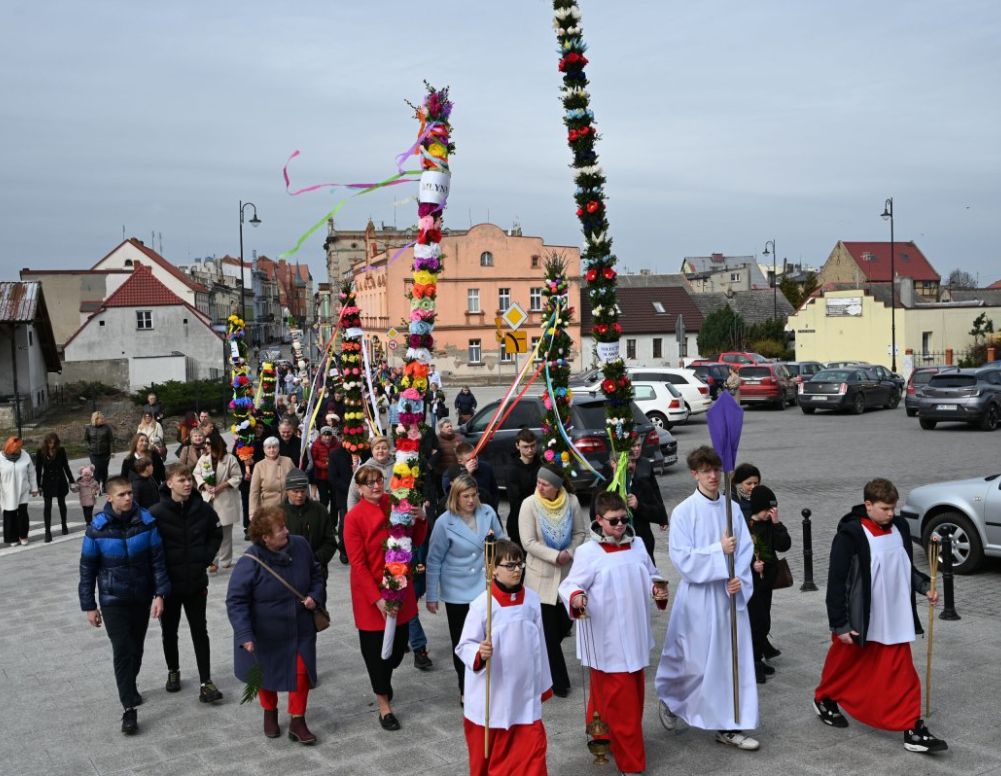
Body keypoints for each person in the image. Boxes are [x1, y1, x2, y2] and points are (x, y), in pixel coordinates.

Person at [812, 478, 947, 754]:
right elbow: (836, 582)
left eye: (893, 508)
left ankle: (912, 727)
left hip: (894, 616)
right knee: (844, 665)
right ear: (868, 505)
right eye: (885, 508)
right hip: (861, 617)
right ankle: (824, 698)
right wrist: (840, 624)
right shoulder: (850, 535)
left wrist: (924, 587)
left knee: (902, 673)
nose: (890, 514)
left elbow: (904, 566)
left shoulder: (900, 527)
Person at [653, 446, 759, 751]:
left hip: (728, 597)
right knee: (694, 661)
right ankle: (673, 699)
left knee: (730, 660)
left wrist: (738, 578)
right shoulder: (684, 512)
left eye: (716, 470)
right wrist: (718, 552)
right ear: (694, 474)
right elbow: (682, 558)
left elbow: (745, 550)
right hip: (699, 598)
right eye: (705, 471)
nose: (712, 476)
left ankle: (729, 725)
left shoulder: (732, 509)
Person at [560, 492, 669, 775]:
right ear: (598, 520)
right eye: (613, 521)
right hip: (605, 638)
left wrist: (657, 589)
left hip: (635, 634)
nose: (620, 525)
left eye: (623, 519)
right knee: (624, 706)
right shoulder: (588, 552)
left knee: (623, 694)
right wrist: (576, 596)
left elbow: (652, 574)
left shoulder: (638, 544)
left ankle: (602, 734)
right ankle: (631, 764)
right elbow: (570, 585)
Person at [78, 476, 170, 735]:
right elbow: (87, 570)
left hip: (141, 596)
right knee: (122, 649)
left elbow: (158, 561)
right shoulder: (97, 528)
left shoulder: (146, 522)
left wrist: (160, 594)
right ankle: (129, 708)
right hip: (113, 599)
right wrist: (89, 605)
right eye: (122, 494)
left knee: (136, 648)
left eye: (130, 493)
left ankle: (130, 684)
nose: (128, 497)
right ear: (109, 498)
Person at [227, 506, 326, 745]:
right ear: (266, 538)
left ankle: (298, 720)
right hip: (266, 632)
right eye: (280, 529)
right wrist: (244, 634)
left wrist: (315, 596)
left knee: (301, 674)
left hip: (300, 627)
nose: (287, 531)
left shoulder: (300, 545)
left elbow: (317, 573)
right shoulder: (250, 561)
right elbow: (236, 600)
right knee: (265, 674)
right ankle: (269, 711)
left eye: (285, 526)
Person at [343, 467, 428, 731]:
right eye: (368, 483)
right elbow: (358, 564)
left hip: (399, 586)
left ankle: (385, 678)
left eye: (379, 480)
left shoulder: (396, 503)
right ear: (359, 489)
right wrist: (377, 599)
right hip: (371, 596)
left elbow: (415, 538)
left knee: (397, 651)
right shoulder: (354, 517)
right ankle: (384, 705)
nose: (375, 486)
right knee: (375, 654)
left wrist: (421, 518)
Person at [456, 539, 551, 775]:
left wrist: (543, 684)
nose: (517, 570)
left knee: (531, 756)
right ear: (493, 569)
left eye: (519, 564)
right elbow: (464, 645)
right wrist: (479, 652)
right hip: (493, 695)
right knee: (486, 760)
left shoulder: (532, 600)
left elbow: (540, 645)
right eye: (510, 565)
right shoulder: (482, 605)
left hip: (524, 694)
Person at [425, 474, 506, 700]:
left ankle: (489, 683)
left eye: (474, 495)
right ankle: (465, 686)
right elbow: (434, 560)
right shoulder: (444, 522)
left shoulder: (488, 512)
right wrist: (432, 595)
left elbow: (502, 542)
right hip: (457, 590)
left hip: (485, 585)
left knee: (488, 638)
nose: (471, 500)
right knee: (463, 641)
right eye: (465, 496)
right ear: (456, 497)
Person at [150, 462, 224, 703]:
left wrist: (205, 557)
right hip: (169, 586)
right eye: (181, 480)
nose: (187, 483)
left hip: (195, 583)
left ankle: (206, 681)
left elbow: (216, 533)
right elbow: (149, 548)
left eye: (189, 479)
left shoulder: (202, 508)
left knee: (199, 630)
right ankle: (173, 670)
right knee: (169, 631)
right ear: (169, 483)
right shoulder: (156, 513)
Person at [518, 466, 588, 698]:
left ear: (557, 486)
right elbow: (528, 542)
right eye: (538, 482)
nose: (539, 487)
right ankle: (559, 683)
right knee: (548, 635)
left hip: (567, 577)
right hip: (540, 579)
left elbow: (580, 533)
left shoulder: (572, 502)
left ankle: (535, 662)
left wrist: (570, 552)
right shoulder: (529, 504)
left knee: (563, 626)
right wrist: (554, 556)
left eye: (545, 484)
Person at [591, 437, 669, 561]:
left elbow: (658, 514)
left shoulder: (643, 486)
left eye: (632, 461)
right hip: (613, 551)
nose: (629, 465)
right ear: (613, 463)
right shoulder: (603, 490)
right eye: (625, 461)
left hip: (643, 547)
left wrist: (639, 506)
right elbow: (594, 520)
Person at [744, 485, 791, 683]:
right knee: (756, 622)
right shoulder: (747, 526)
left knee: (765, 622)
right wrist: (751, 565)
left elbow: (784, 545)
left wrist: (777, 523)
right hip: (752, 583)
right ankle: (752, 663)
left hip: (767, 582)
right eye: (766, 510)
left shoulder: (771, 525)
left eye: (772, 510)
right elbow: (739, 554)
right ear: (757, 508)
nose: (769, 514)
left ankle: (758, 659)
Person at [195, 435, 243, 571]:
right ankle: (212, 561)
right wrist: (204, 485)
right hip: (208, 499)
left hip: (225, 498)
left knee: (225, 532)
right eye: (205, 443)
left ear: (216, 444)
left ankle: (225, 560)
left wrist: (221, 486)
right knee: (209, 531)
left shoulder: (230, 459)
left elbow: (237, 477)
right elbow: (197, 473)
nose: (205, 446)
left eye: (208, 443)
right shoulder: (203, 458)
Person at [282, 468, 338, 579]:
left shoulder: (320, 510)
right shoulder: (277, 513)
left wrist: (315, 559)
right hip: (287, 573)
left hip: (316, 572)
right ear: (287, 491)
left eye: (303, 491)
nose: (300, 495)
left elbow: (330, 542)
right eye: (295, 491)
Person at [35, 432, 75, 542]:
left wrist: (71, 481)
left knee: (62, 503)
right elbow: (38, 469)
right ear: (46, 442)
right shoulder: (40, 452)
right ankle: (47, 532)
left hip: (60, 480)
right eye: (49, 443)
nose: (51, 445)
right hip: (47, 481)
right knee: (47, 506)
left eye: (54, 443)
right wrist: (38, 485)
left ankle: (64, 525)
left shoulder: (61, 450)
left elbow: (66, 466)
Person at [504, 428, 540, 546]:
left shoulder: (541, 464)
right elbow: (515, 500)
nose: (530, 450)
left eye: (532, 446)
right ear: (517, 446)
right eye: (525, 447)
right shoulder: (512, 469)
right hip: (519, 521)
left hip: (540, 520)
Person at [443, 442, 500, 513]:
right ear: (460, 461)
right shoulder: (450, 473)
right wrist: (466, 474)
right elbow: (451, 495)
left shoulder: (486, 468)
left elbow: (494, 492)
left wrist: (493, 509)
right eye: (469, 460)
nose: (474, 461)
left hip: (485, 510)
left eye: (475, 457)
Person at [1, 437, 37, 546]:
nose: (18, 450)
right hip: (7, 491)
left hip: (23, 489)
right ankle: (12, 538)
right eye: (15, 448)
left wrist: (34, 488)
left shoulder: (25, 456)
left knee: (23, 514)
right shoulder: (0, 458)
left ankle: (23, 535)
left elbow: (31, 472)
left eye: (19, 448)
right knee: (10, 514)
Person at [250, 437, 295, 521]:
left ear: (278, 448)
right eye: (269, 447)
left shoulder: (288, 461)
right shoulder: (259, 466)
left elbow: (296, 482)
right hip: (268, 510)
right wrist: (252, 513)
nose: (272, 450)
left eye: (274, 447)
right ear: (264, 449)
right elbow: (254, 492)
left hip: (288, 508)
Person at [327, 430, 356, 564]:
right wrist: (350, 488)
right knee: (345, 523)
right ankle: (344, 549)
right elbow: (333, 477)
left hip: (363, 494)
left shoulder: (363, 452)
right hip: (344, 494)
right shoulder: (335, 454)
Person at [84, 410, 114, 490]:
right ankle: (96, 487)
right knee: (96, 470)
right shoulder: (89, 428)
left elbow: (111, 440)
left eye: (103, 418)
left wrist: (112, 452)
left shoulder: (107, 427)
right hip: (93, 453)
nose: (103, 420)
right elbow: (86, 440)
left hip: (105, 453)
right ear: (95, 419)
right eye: (101, 418)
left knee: (104, 470)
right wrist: (89, 447)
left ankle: (104, 485)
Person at [309, 427, 336, 511]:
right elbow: (314, 459)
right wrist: (324, 465)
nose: (327, 438)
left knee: (334, 499)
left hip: (334, 476)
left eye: (329, 435)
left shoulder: (337, 444)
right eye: (325, 435)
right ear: (321, 435)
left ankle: (333, 518)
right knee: (324, 499)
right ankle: (323, 515)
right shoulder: (316, 444)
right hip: (321, 476)